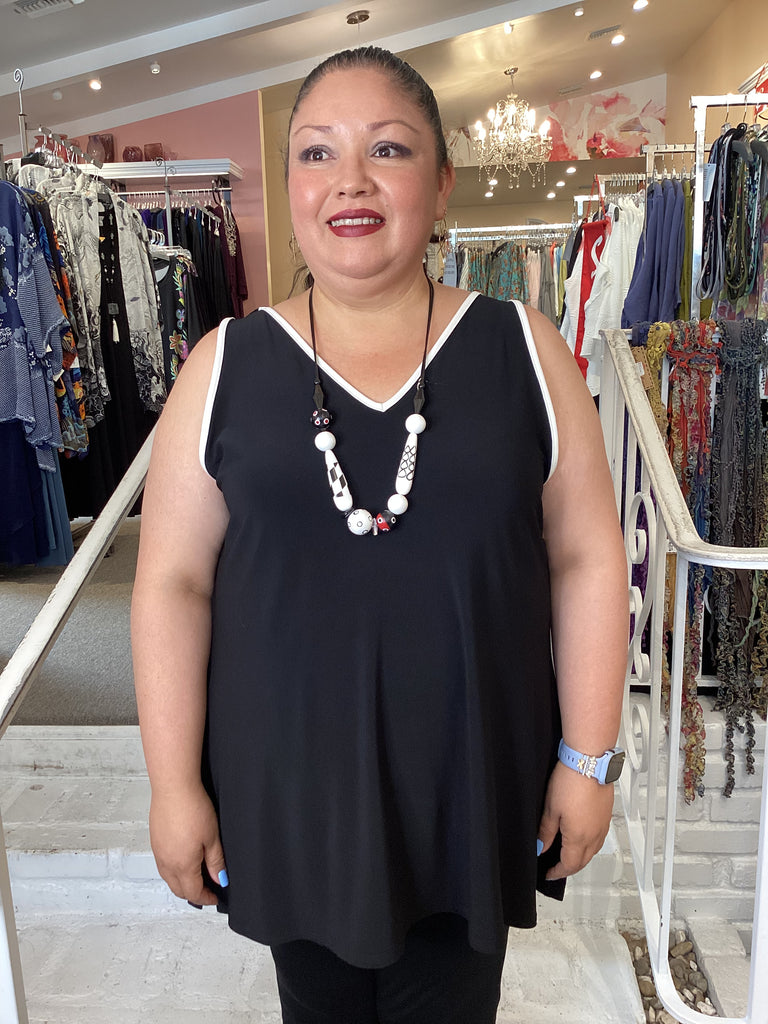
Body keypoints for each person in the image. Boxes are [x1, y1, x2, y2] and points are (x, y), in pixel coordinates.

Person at [131, 45, 629, 1024]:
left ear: (440, 183)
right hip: (290, 793)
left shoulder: (526, 351)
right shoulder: (222, 365)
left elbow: (585, 558)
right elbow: (173, 584)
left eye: (388, 149)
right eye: (317, 153)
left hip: (467, 789)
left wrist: (589, 759)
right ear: (291, 186)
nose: (350, 180)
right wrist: (172, 785)